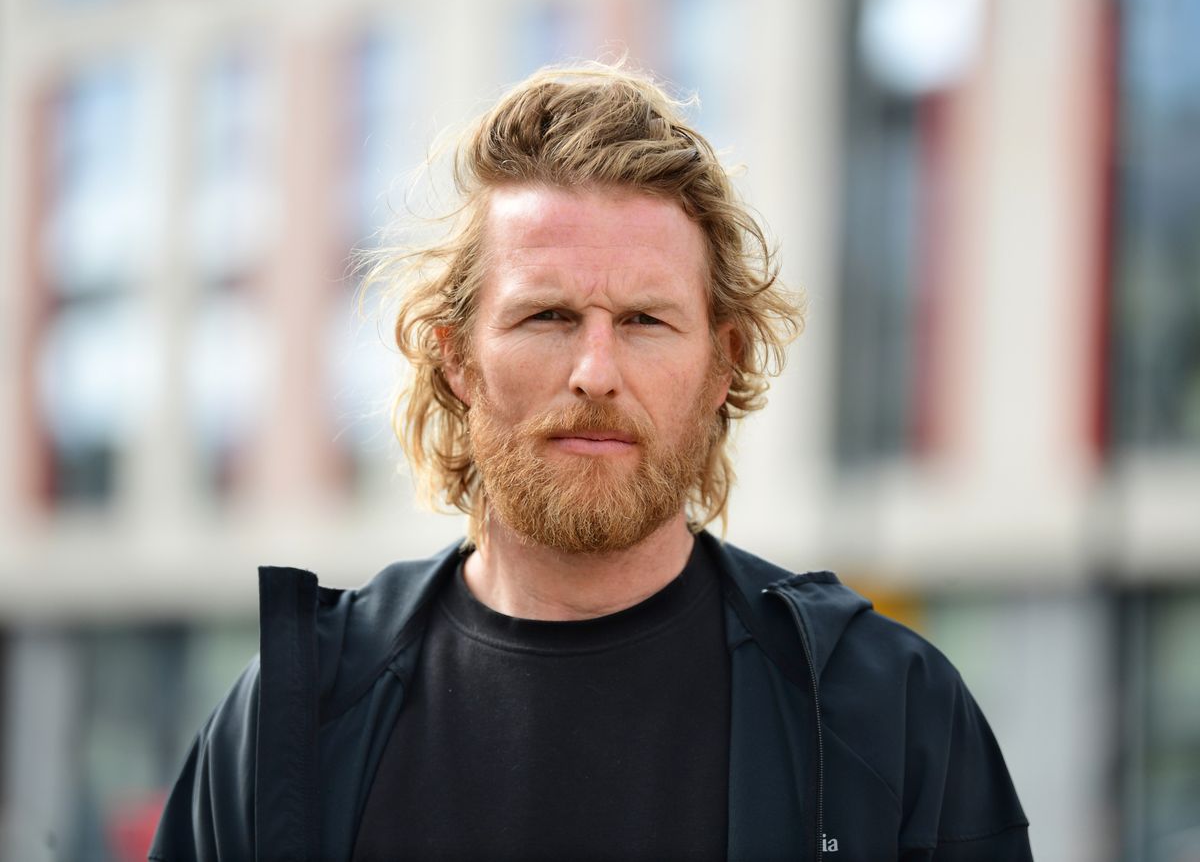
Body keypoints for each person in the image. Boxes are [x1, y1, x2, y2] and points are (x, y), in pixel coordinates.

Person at [150, 64, 1032, 862]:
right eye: (548, 317)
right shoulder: (292, 722)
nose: (597, 374)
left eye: (646, 321)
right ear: (456, 359)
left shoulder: (884, 712)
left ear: (723, 362)